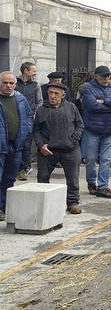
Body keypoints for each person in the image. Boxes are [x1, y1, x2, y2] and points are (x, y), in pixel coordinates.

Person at [34, 82, 84, 215]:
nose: (52, 96)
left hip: (70, 149)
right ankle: (43, 203)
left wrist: (73, 140)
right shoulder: (41, 109)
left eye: (56, 93)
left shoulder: (71, 107)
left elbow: (80, 125)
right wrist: (41, 145)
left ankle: (73, 202)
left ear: (63, 95)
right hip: (48, 150)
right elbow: (36, 130)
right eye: (50, 93)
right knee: (43, 177)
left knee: (73, 178)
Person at [80, 66, 111, 199]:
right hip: (92, 129)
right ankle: (92, 183)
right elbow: (92, 106)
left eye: (108, 76)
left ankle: (103, 187)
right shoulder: (87, 88)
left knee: (106, 160)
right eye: (103, 76)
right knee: (91, 159)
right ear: (96, 75)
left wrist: (104, 101)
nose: (106, 79)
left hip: (109, 129)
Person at [0, 72, 33, 221]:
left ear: (15, 84)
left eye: (11, 83)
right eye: (5, 82)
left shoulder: (21, 99)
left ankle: (4, 207)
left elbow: (28, 117)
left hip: (16, 146)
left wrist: (26, 135)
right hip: (1, 146)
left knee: (10, 178)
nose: (8, 86)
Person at [15, 62, 42, 181]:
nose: (36, 73)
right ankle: (14, 167)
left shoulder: (36, 85)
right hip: (14, 117)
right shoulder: (14, 83)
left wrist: (34, 115)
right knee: (14, 143)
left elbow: (39, 102)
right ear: (26, 71)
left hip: (28, 118)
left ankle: (24, 169)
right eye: (34, 70)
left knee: (26, 144)